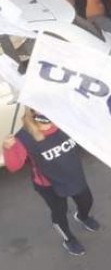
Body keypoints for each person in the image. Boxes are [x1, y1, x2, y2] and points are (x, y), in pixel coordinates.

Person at [2, 109, 101, 256]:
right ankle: (69, 239)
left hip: (74, 176)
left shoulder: (65, 122)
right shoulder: (24, 137)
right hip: (48, 185)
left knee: (87, 201)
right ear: (33, 113)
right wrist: (8, 148)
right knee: (59, 212)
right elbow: (14, 166)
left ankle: (82, 216)